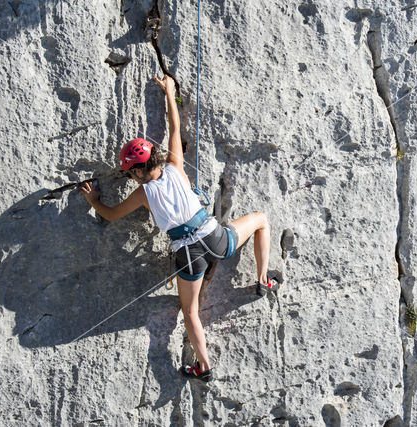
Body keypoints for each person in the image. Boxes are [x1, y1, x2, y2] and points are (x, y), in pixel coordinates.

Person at [80, 75, 279, 382]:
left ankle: (205, 367)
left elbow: (111, 214)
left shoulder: (143, 194)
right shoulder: (175, 164)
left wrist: (94, 200)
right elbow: (175, 128)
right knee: (261, 220)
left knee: (190, 313)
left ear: (134, 172)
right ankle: (263, 279)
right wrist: (170, 92)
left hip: (187, 254)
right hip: (214, 237)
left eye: (129, 172)